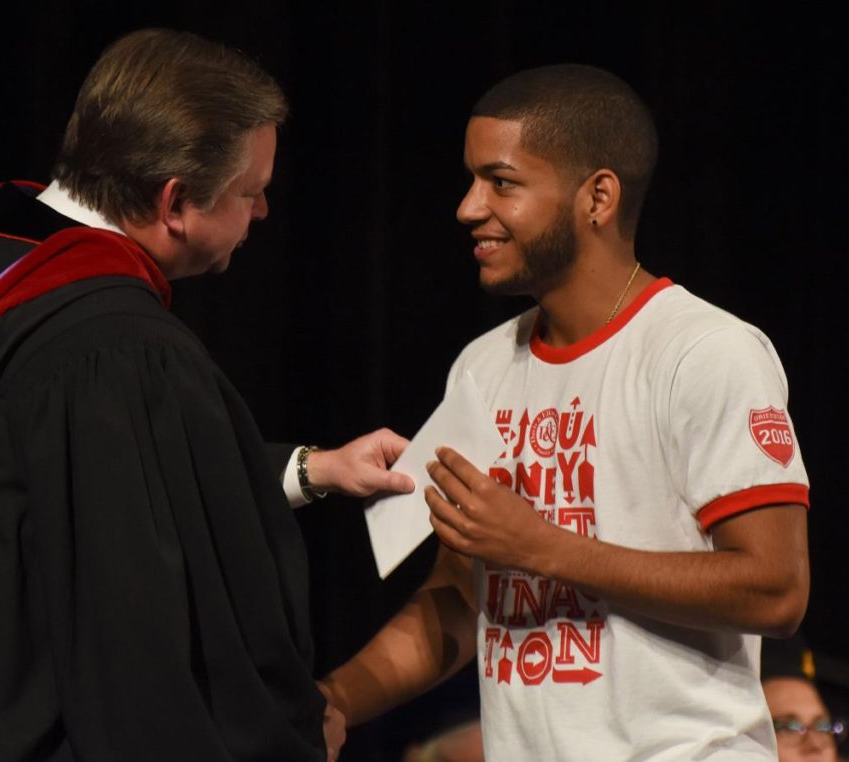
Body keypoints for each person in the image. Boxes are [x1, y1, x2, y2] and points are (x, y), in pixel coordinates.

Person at [0, 28, 413, 761]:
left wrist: (312, 468)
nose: (263, 213)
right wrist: (298, 725)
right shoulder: (119, 350)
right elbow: (147, 640)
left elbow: (75, 476)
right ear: (175, 202)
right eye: (250, 193)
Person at [320, 63, 811, 760]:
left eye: (502, 182)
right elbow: (461, 597)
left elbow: (776, 589)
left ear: (598, 197)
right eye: (471, 180)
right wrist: (336, 699)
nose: (467, 207)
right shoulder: (482, 368)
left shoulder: (706, 352)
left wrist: (542, 548)